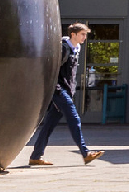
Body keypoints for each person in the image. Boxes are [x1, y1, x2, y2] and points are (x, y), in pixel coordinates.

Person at [26, 24, 104, 166]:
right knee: (74, 119)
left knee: (49, 124)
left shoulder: (75, 49)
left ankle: (36, 156)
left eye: (85, 35)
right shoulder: (64, 48)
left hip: (66, 91)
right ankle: (85, 153)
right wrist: (56, 89)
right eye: (82, 34)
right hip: (58, 90)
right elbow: (51, 71)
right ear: (73, 34)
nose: (84, 37)